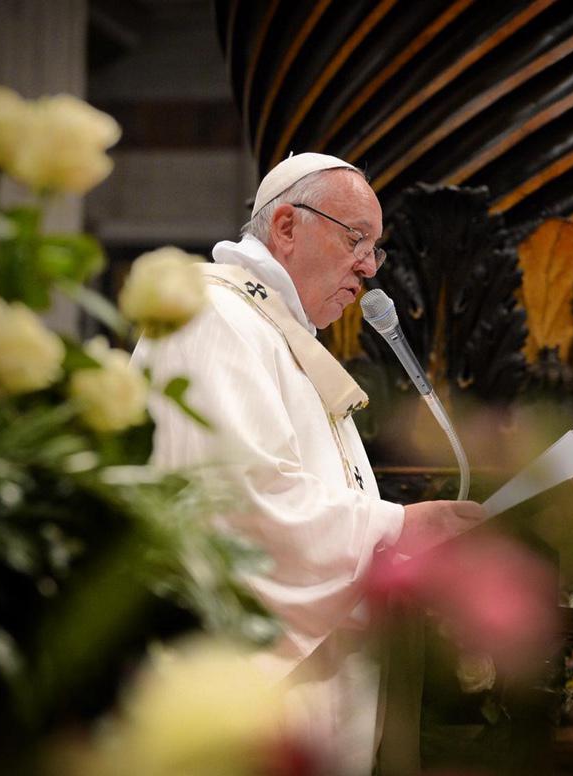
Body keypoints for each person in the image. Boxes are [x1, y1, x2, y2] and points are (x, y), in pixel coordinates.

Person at [135, 153, 483, 774]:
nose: (369, 267)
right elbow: (237, 502)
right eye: (356, 239)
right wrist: (397, 529)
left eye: (377, 249)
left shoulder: (276, 332)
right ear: (287, 227)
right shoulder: (211, 318)